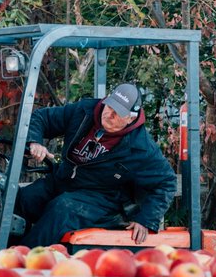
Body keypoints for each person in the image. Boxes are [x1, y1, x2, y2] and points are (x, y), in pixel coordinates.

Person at [15, 82, 177, 248]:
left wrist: (146, 220)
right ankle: (4, 249)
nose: (109, 115)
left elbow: (167, 182)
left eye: (118, 113)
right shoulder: (84, 111)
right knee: (24, 198)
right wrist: (34, 141)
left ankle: (24, 257)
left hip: (102, 198)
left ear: (131, 118)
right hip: (63, 179)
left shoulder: (141, 147)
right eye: (110, 107)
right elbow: (42, 117)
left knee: (63, 209)